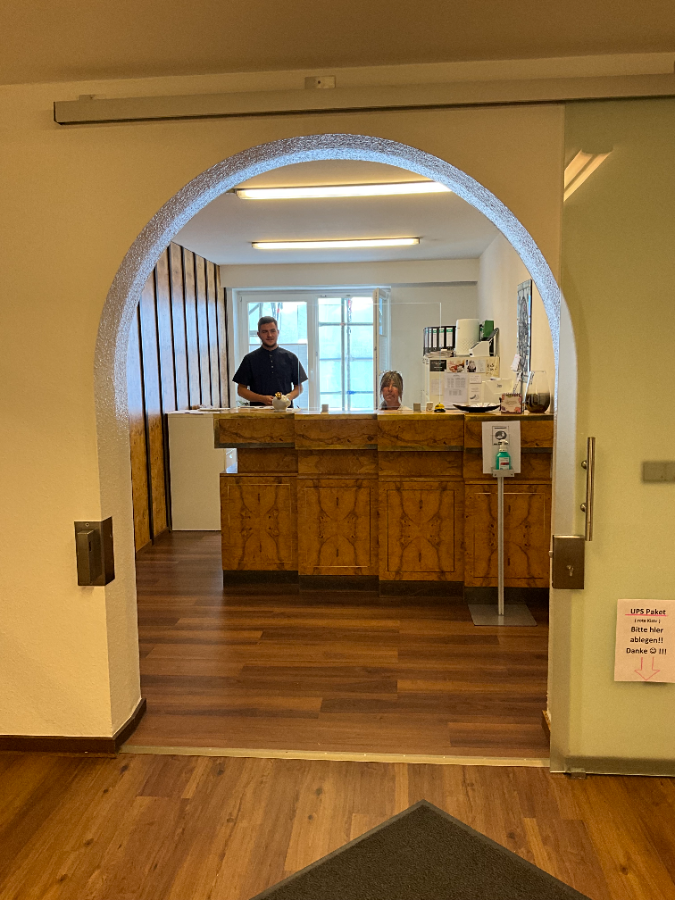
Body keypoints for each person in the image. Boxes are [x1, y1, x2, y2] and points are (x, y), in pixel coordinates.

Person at [233, 316, 308, 406]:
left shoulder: (291, 358)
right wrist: (262, 399)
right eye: (265, 332)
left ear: (278, 332)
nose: (269, 335)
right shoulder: (249, 359)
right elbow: (241, 390)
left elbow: (299, 387)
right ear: (258, 334)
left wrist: (287, 398)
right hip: (258, 412)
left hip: (285, 411)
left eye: (273, 331)